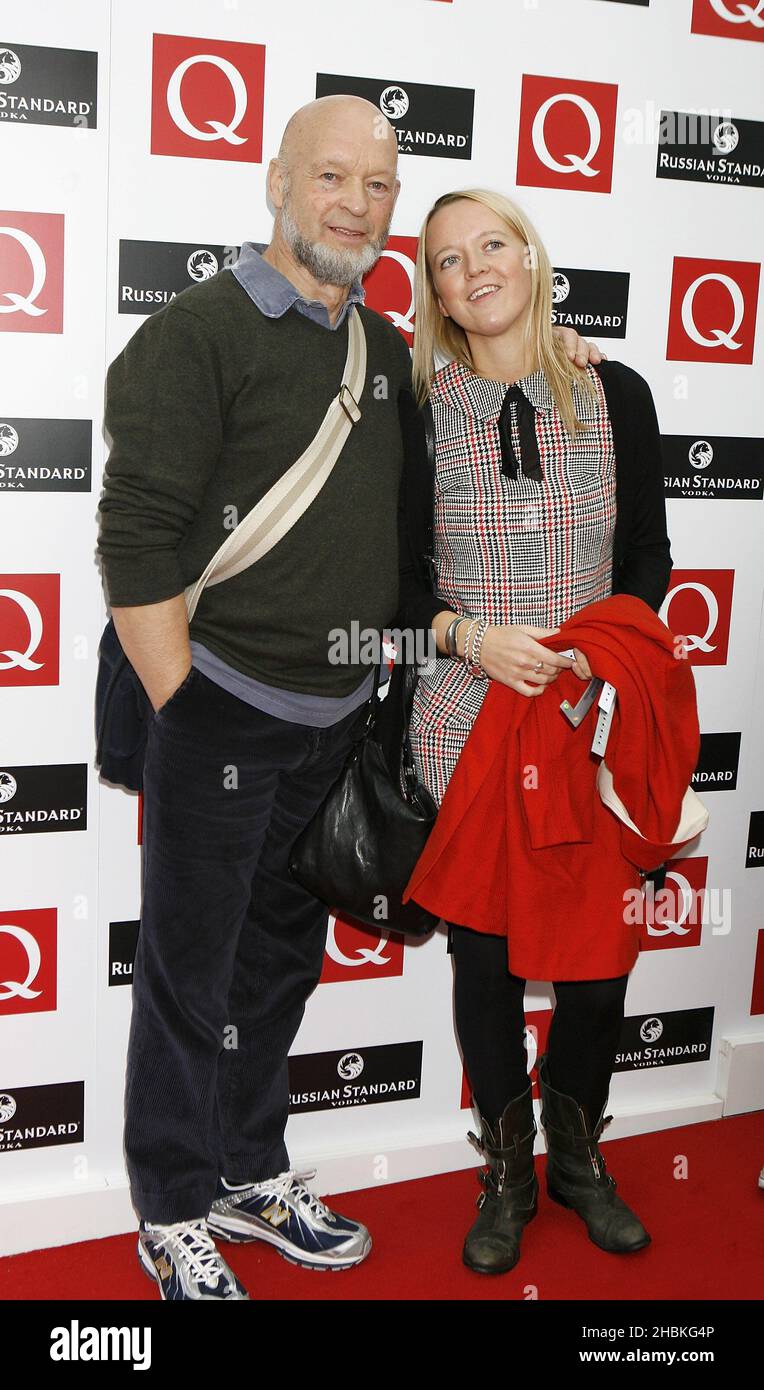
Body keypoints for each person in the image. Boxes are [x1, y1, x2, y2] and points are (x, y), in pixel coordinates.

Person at [96, 96, 601, 1300]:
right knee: (187, 971)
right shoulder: (195, 335)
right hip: (219, 711)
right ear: (277, 180)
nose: (355, 206)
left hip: (332, 725)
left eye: (378, 189)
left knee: (274, 965)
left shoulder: (383, 349)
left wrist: (570, 349)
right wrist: (187, 708)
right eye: (331, 178)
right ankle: (170, 1205)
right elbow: (137, 542)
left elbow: (494, 374)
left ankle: (244, 1169)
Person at [396, 187, 672, 1276]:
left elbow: (647, 556)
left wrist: (598, 654)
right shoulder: (416, 409)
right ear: (436, 291)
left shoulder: (618, 391)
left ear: (529, 253)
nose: (475, 270)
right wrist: (472, 638)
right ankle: (506, 1171)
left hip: (593, 711)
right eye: (449, 260)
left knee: (598, 959)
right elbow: (391, 587)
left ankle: (576, 1157)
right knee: (488, 956)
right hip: (470, 710)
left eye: (491, 245)